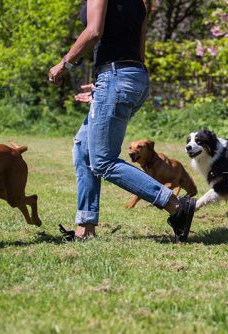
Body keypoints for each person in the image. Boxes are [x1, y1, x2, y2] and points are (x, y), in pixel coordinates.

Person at [48, 0, 195, 241]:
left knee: (103, 161)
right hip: (132, 77)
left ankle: (175, 204)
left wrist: (64, 63)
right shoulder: (140, 3)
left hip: (115, 79)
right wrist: (106, 88)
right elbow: (138, 51)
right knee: (83, 148)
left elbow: (94, 31)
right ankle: (85, 228)